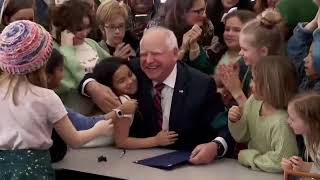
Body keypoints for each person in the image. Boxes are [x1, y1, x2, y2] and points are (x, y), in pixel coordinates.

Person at [80, 26, 234, 165]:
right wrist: (92, 86)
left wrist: (216, 146)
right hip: (134, 163)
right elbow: (98, 73)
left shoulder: (200, 85)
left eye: (155, 54)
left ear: (175, 53)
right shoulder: (133, 71)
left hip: (188, 164)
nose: (148, 61)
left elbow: (225, 127)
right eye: (144, 54)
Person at [0, 20, 113, 179]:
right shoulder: (47, 98)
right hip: (35, 174)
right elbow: (74, 140)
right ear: (43, 60)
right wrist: (99, 129)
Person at [228, 56, 299, 173]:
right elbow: (242, 136)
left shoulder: (282, 122)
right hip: (254, 172)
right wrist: (235, 120)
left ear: (270, 86)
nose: (250, 84)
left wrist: (251, 158)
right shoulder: (254, 101)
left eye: (255, 80)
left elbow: (282, 162)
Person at [51, 0, 110, 114]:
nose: (84, 33)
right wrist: (67, 50)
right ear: (64, 27)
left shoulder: (91, 43)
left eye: (87, 27)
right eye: (78, 29)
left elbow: (110, 67)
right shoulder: (54, 50)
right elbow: (65, 86)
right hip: (73, 116)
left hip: (102, 112)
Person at [220, 8, 282, 107]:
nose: (240, 53)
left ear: (263, 51)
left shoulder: (274, 80)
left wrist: (237, 93)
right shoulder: (248, 67)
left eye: (244, 49)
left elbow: (258, 120)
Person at [214, 9, 255, 107]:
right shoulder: (218, 51)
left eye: (237, 30)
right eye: (227, 29)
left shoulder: (246, 63)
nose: (229, 34)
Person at [282, 92, 320, 174]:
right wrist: (296, 166)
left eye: (292, 119)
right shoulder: (307, 134)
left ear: (311, 123)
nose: (288, 121)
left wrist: (307, 167)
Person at [287, 8, 320, 92]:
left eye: (312, 56)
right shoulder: (306, 78)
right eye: (308, 53)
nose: (305, 59)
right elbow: (295, 51)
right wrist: (314, 23)